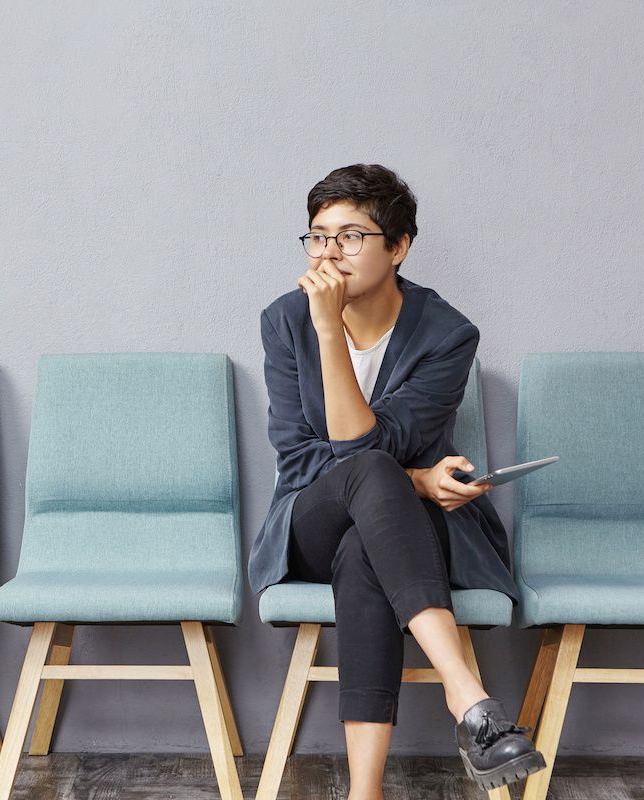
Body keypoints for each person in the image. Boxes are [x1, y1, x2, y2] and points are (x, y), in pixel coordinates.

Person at [249, 164, 546, 797]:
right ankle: (469, 697)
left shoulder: (447, 334)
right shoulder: (285, 320)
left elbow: (375, 446)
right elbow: (303, 461)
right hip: (311, 519)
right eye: (318, 236)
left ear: (400, 246)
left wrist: (397, 476)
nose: (330, 254)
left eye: (351, 236)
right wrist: (328, 327)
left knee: (366, 550)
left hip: (397, 535)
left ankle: (365, 792)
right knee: (375, 478)